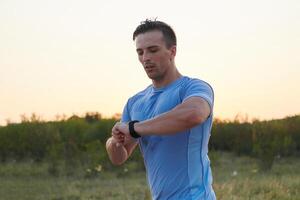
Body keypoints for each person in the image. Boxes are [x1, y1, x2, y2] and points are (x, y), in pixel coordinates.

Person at [106, 19, 216, 200]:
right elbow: (119, 157)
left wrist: (134, 128)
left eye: (153, 50)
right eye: (140, 52)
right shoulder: (135, 102)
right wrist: (114, 142)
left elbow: (194, 114)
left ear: (172, 51)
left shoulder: (194, 88)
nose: (145, 58)